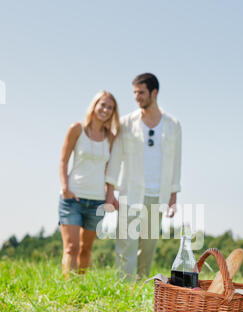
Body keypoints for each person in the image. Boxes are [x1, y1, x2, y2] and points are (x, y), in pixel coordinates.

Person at [105, 73, 182, 279]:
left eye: (141, 92)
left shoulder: (173, 125)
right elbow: (115, 159)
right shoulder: (126, 123)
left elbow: (177, 162)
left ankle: (139, 289)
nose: (136, 97)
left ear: (154, 93)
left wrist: (173, 197)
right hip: (129, 193)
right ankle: (123, 290)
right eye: (135, 93)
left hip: (158, 195)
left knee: (148, 248)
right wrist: (110, 192)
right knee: (125, 245)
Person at [58, 91, 120, 276]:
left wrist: (110, 196)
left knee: (86, 249)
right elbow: (63, 160)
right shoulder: (77, 129)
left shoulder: (111, 137)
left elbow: (111, 170)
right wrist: (65, 188)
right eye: (102, 105)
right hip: (73, 198)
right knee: (71, 247)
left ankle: (80, 288)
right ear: (94, 105)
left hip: (96, 201)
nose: (105, 109)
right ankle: (68, 291)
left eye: (110, 107)